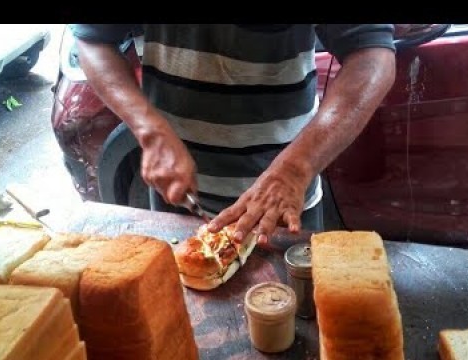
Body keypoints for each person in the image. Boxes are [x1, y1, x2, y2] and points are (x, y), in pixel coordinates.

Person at [71, 24, 396, 245]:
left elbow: (372, 56)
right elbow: (93, 39)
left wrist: (294, 171)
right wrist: (149, 130)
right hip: (178, 203)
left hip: (280, 209)